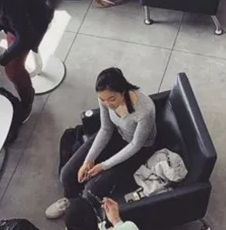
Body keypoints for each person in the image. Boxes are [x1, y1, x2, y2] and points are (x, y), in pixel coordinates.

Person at [46, 68, 157, 220]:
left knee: (92, 189)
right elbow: (106, 129)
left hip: (138, 150)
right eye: (103, 99)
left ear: (123, 91)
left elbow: (135, 145)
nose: (107, 104)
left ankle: (84, 213)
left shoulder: (145, 110)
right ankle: (71, 202)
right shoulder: (104, 98)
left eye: (112, 99)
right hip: (117, 134)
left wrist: (103, 165)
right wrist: (88, 160)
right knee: (67, 174)